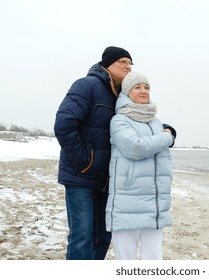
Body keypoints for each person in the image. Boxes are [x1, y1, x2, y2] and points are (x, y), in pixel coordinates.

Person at [54, 46, 134, 260]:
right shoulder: (86, 85)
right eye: (123, 62)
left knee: (102, 237)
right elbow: (64, 124)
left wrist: (164, 129)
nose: (129, 66)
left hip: (107, 180)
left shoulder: (122, 97)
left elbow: (135, 123)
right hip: (81, 177)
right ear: (107, 63)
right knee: (82, 237)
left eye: (130, 63)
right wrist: (85, 162)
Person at [105, 71, 176, 260]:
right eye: (137, 87)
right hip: (128, 201)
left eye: (147, 87)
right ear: (127, 92)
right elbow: (135, 147)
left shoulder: (155, 120)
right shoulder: (119, 120)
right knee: (125, 258)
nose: (143, 91)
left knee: (153, 258)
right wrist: (167, 137)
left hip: (154, 202)